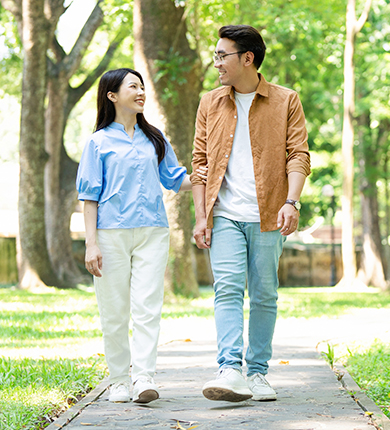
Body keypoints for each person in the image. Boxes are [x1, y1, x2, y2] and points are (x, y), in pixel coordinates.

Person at [191, 25, 311, 402]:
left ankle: (257, 373)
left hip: (269, 213)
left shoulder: (285, 100)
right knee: (226, 289)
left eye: (222, 56)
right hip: (223, 213)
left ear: (247, 58)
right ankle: (230, 369)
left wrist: (291, 202)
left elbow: (298, 155)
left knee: (263, 293)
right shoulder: (210, 102)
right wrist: (200, 216)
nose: (216, 64)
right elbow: (200, 162)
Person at [77, 68, 196, 404]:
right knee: (114, 311)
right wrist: (91, 243)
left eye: (142, 87)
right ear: (112, 95)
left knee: (147, 308)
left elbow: (176, 179)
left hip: (152, 233)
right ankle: (118, 380)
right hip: (110, 234)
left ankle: (143, 378)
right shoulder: (98, 143)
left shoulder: (154, 138)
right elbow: (89, 197)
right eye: (133, 86)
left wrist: (209, 177)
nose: (141, 91)